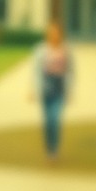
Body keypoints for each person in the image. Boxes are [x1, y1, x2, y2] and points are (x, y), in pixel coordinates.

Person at [31, 20, 74, 163]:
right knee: (47, 121)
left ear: (60, 34)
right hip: (46, 89)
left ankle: (54, 150)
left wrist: (70, 91)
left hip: (60, 89)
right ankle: (48, 147)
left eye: (56, 33)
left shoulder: (66, 50)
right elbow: (36, 71)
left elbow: (71, 71)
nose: (53, 35)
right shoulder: (40, 50)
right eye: (51, 33)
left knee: (55, 120)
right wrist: (34, 89)